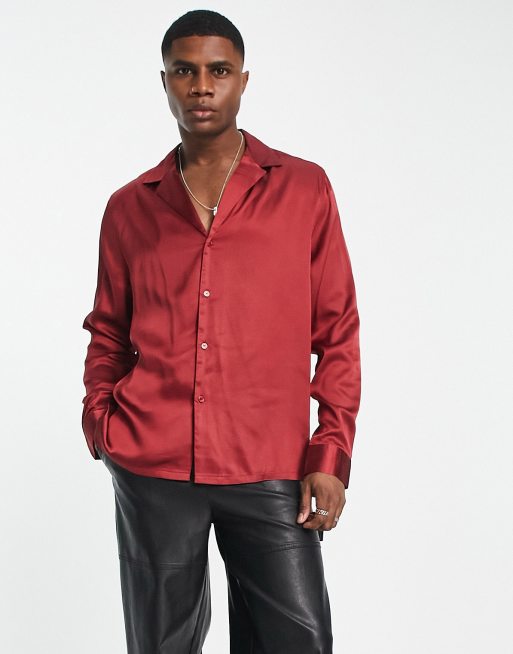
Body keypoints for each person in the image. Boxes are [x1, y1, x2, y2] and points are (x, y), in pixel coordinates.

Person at [81, 9, 361, 654]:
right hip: (153, 464)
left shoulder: (304, 189)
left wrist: (331, 455)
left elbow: (338, 330)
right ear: (165, 81)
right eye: (185, 71)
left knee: (299, 640)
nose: (201, 86)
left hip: (269, 464)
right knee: (162, 644)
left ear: (242, 80)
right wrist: (102, 422)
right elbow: (108, 332)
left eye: (218, 71)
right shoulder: (130, 206)